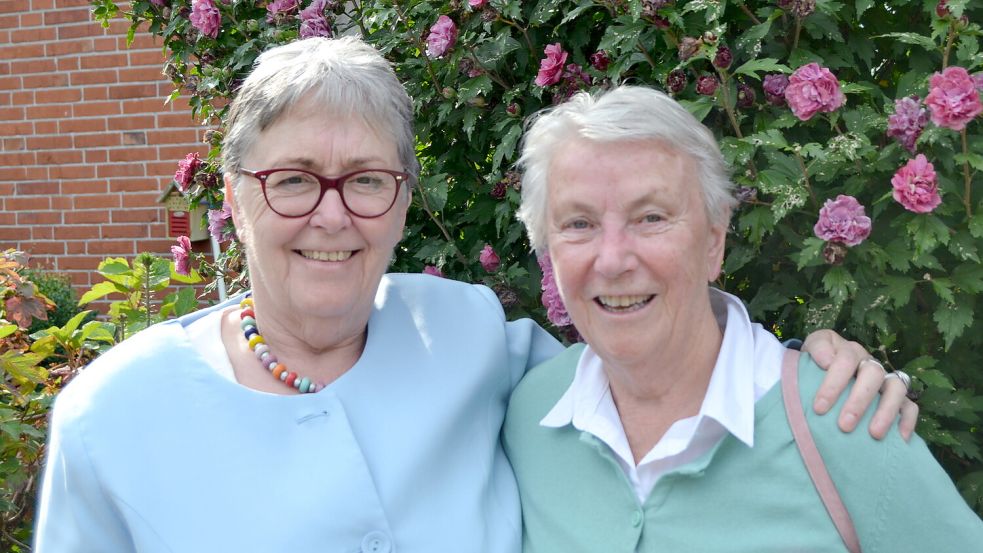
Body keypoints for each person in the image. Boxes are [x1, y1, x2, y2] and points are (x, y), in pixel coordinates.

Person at [35, 39, 914, 552]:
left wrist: (809, 368)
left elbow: (649, 346)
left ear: (404, 200)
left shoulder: (469, 336)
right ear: (232, 195)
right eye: (293, 179)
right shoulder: (112, 417)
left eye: (367, 179)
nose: (331, 215)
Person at [503, 85, 983, 552]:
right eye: (579, 224)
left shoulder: (845, 421)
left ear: (714, 240)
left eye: (650, 217)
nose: (612, 260)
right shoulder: (530, 415)